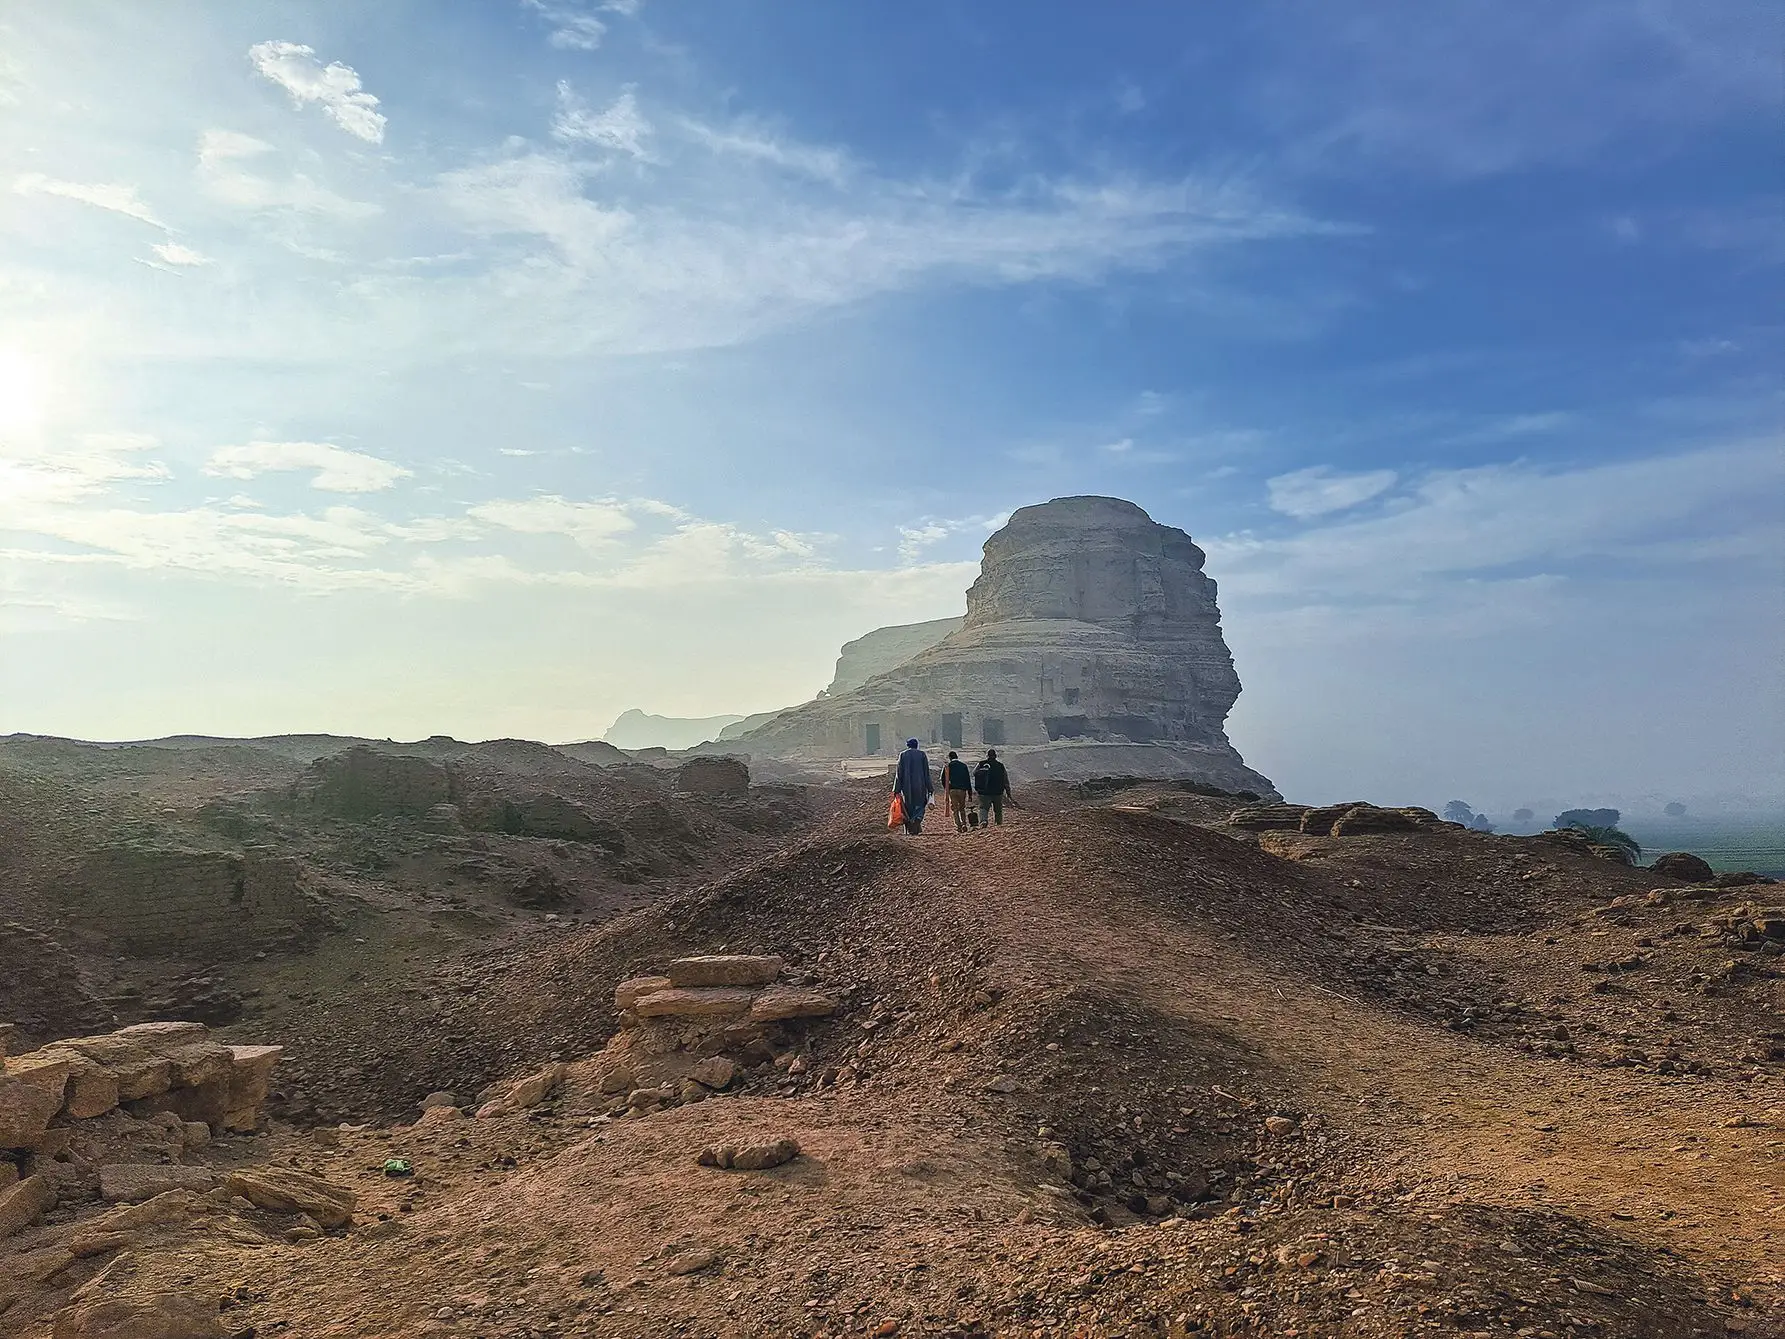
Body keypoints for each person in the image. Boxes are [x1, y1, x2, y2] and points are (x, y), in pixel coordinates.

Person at [893, 737, 933, 835]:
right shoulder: (922, 755)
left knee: (907, 806)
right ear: (917, 745)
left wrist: (896, 789)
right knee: (920, 804)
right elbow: (926, 773)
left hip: (906, 787)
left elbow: (899, 773)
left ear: (907, 746)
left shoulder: (903, 755)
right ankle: (917, 820)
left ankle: (910, 826)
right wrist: (930, 788)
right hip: (920, 785)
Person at [973, 748, 1013, 827]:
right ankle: (998, 823)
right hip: (998, 791)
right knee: (998, 809)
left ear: (987, 756)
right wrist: (1008, 792)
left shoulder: (981, 764)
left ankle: (983, 821)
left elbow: (974, 773)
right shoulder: (1000, 765)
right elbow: (1005, 780)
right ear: (995, 756)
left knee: (983, 808)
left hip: (984, 791)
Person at [942, 749, 973, 831]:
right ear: (957, 757)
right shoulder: (963, 766)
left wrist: (947, 788)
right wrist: (970, 793)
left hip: (952, 790)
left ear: (950, 758)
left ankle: (958, 825)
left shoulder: (948, 766)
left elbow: (943, 779)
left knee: (955, 809)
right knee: (962, 808)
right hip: (962, 790)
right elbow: (967, 780)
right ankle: (964, 823)